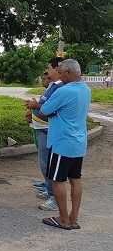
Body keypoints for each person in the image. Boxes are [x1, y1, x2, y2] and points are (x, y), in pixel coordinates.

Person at [39, 59, 91, 230]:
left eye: (60, 73)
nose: (59, 76)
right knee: (75, 179)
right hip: (79, 142)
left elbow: (44, 110)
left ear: (68, 72)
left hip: (62, 142)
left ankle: (63, 218)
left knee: (57, 180)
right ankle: (73, 218)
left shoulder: (64, 91)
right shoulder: (86, 89)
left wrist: (54, 112)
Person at [25, 57, 64, 211]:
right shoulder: (53, 86)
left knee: (47, 164)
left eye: (49, 67)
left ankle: (54, 198)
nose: (47, 71)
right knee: (46, 163)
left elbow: (49, 109)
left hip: (47, 130)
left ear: (56, 69)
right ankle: (50, 192)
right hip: (41, 128)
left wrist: (36, 105)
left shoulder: (59, 87)